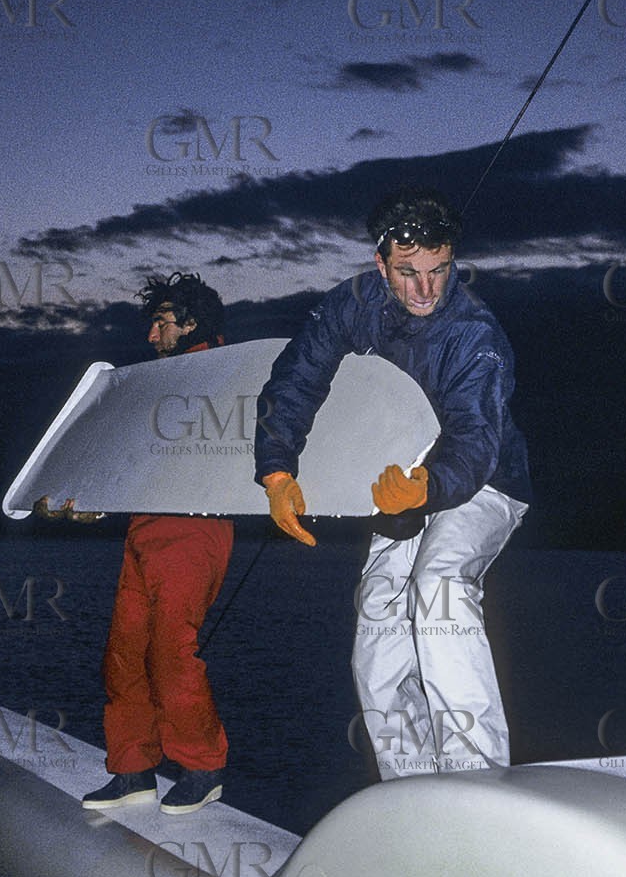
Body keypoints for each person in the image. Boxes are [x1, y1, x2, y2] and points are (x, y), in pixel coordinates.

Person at [254, 189, 532, 779]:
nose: (426, 289)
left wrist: (429, 486)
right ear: (381, 265)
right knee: (379, 618)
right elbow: (297, 378)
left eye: (439, 271)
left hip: (482, 483)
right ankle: (408, 787)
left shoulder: (474, 333)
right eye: (409, 273)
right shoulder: (350, 305)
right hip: (397, 484)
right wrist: (277, 471)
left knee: (440, 592)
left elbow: (477, 436)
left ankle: (477, 783)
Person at [41, 273, 234, 814]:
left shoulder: (227, 377)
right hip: (146, 529)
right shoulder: (158, 384)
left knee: (172, 651)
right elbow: (139, 462)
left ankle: (202, 767)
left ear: (191, 324)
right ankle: (133, 771)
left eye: (161, 323)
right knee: (123, 655)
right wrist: (91, 499)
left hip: (196, 528)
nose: (152, 336)